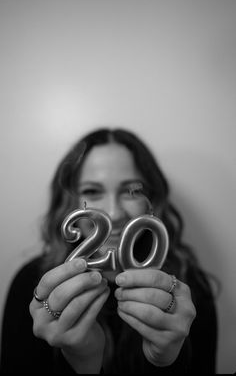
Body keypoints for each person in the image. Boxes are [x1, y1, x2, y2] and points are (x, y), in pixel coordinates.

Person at [0, 128, 218, 374]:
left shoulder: (187, 291)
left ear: (152, 199)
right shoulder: (33, 285)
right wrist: (83, 362)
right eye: (92, 191)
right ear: (69, 203)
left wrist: (167, 359)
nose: (113, 214)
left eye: (131, 190)